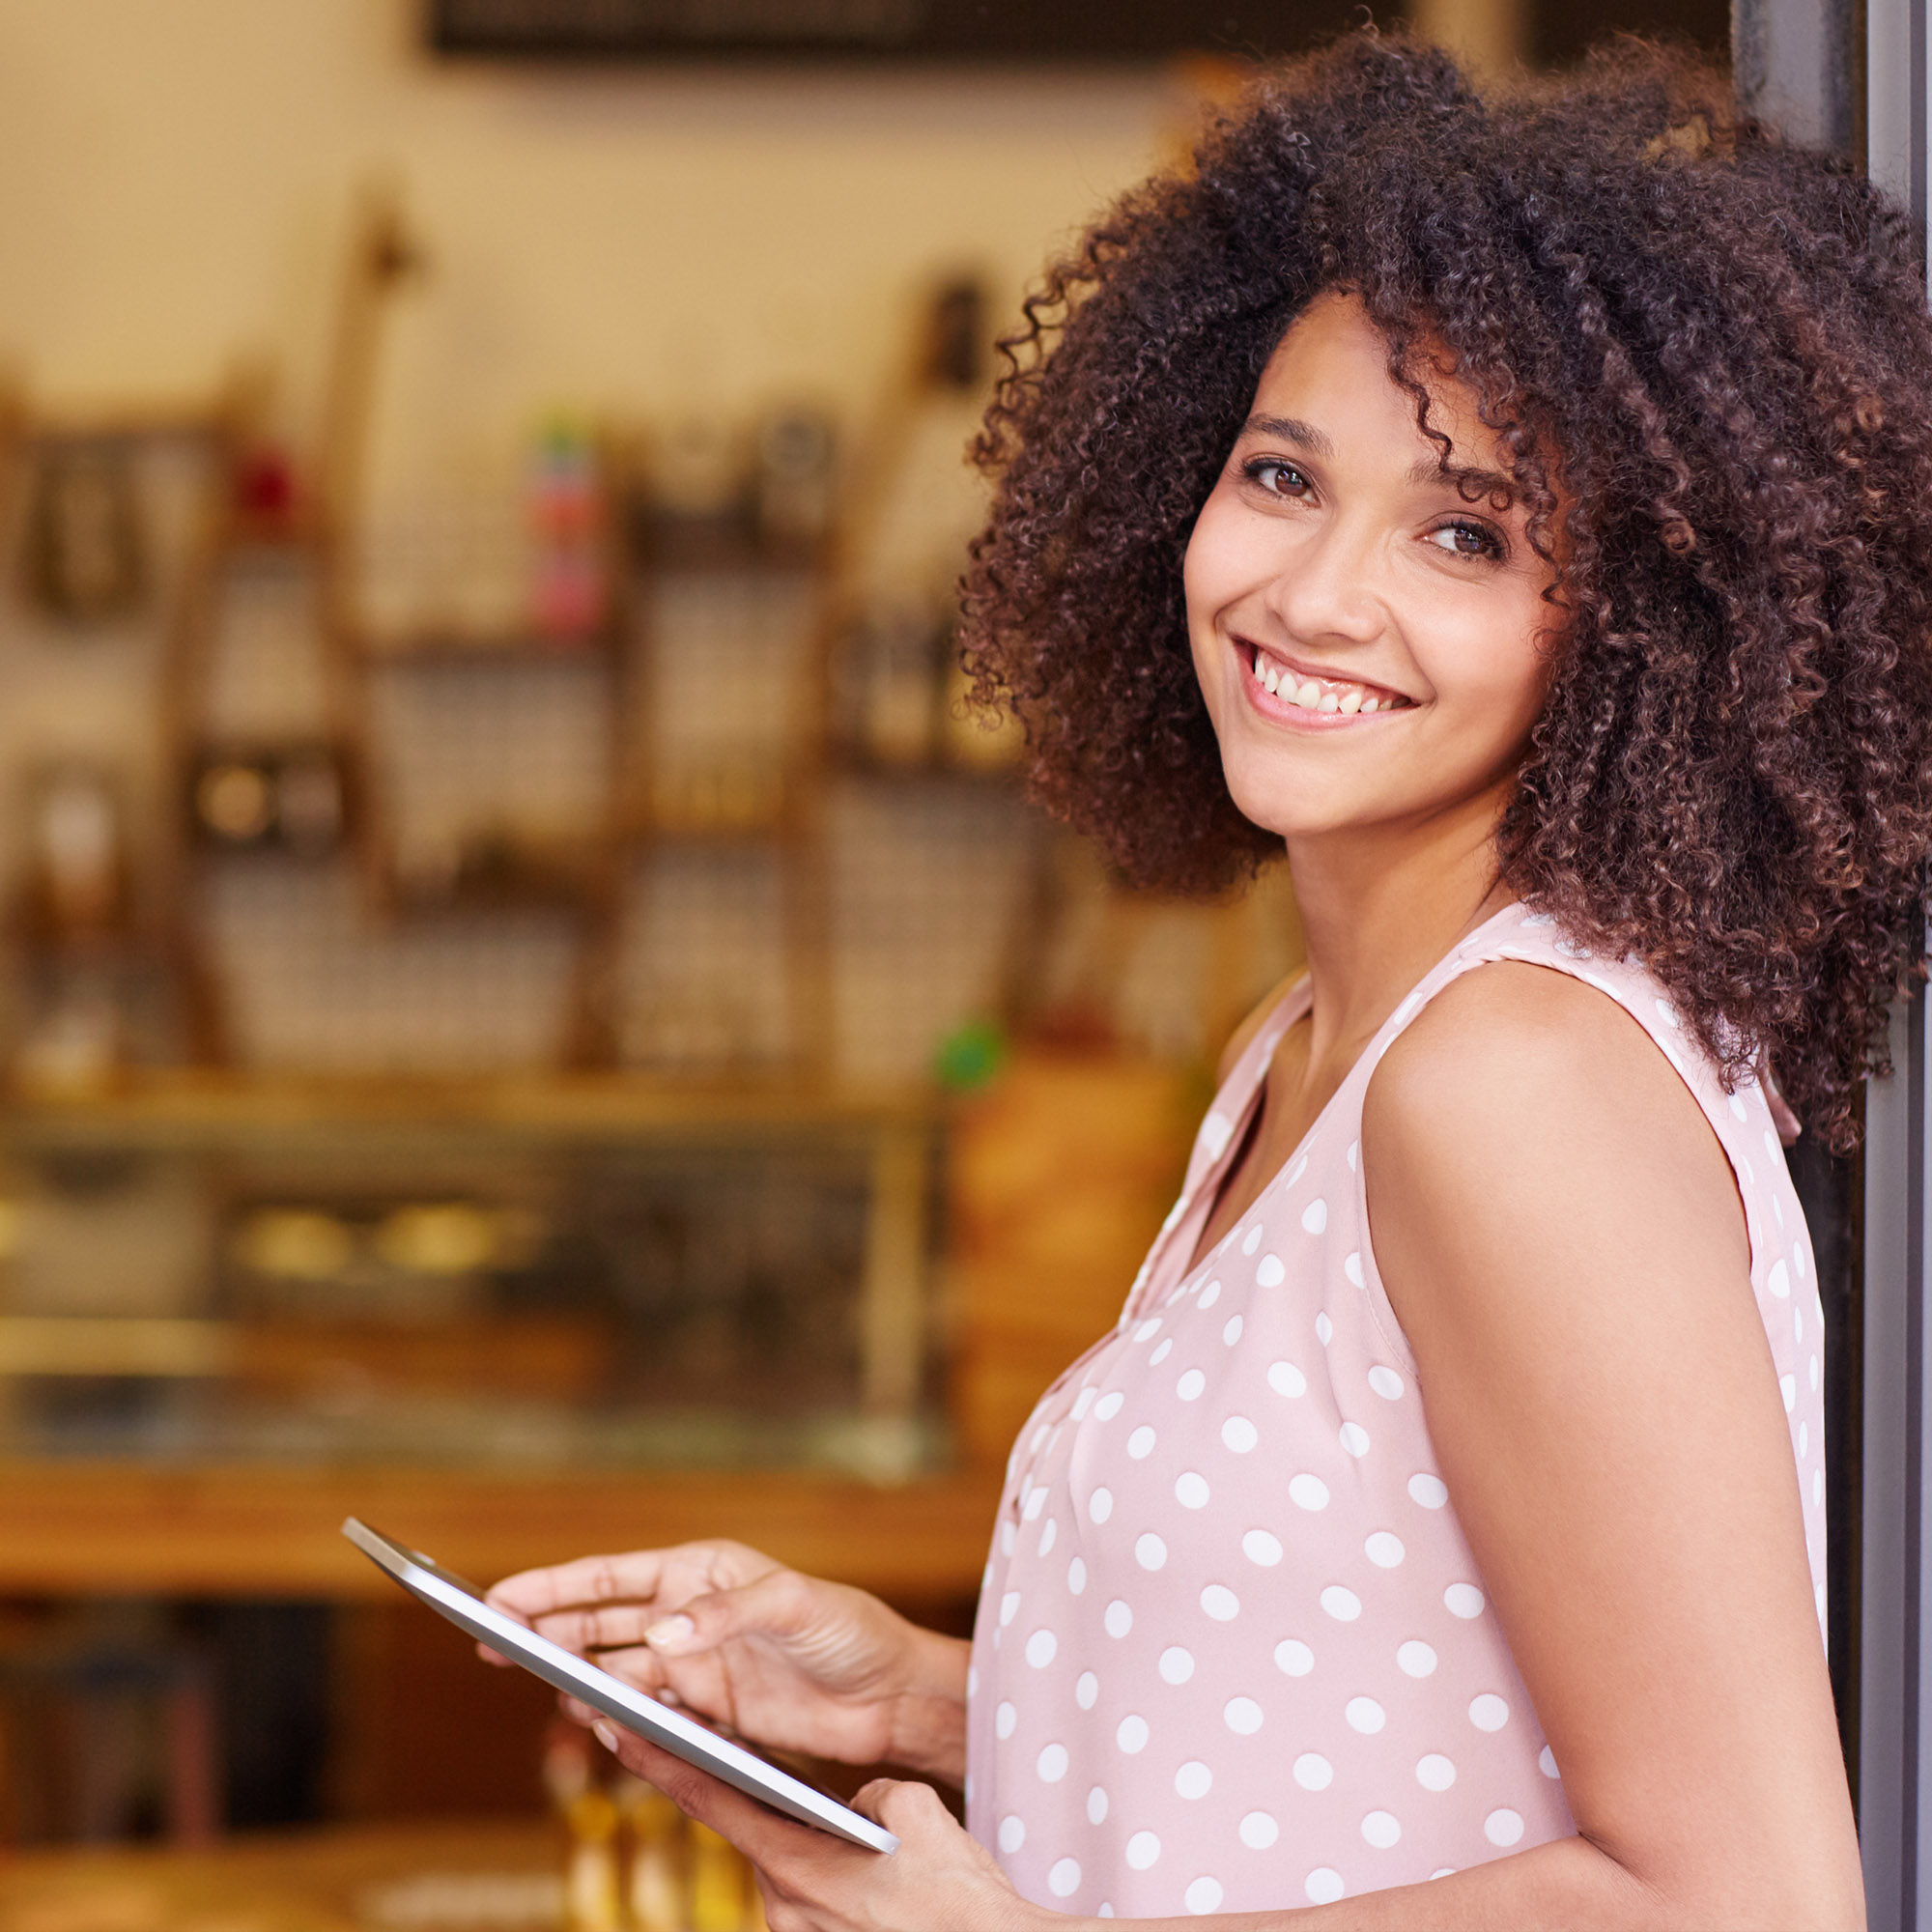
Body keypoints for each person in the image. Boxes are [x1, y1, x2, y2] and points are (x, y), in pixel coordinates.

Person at [485, 33, 1932, 1926]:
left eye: (1465, 532)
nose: (1315, 593)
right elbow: (1351, 1701)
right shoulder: (1313, 1044)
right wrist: (924, 1691)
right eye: (1279, 475)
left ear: (1645, 622)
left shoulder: (1512, 1081)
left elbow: (1741, 1898)